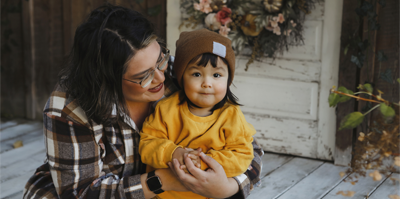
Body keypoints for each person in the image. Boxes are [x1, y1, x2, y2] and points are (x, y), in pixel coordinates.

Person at [22, 4, 263, 199]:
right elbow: (81, 192)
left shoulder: (186, 72)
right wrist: (162, 181)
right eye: (143, 76)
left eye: (160, 59)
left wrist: (229, 187)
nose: (161, 77)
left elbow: (250, 148)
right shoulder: (68, 108)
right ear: (107, 80)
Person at [139, 29, 256, 199]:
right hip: (166, 196)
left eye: (217, 75)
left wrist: (203, 162)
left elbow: (242, 155)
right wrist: (175, 154)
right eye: (196, 74)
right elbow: (147, 144)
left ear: (228, 79)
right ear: (182, 77)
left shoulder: (231, 115)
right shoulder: (166, 109)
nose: (207, 83)